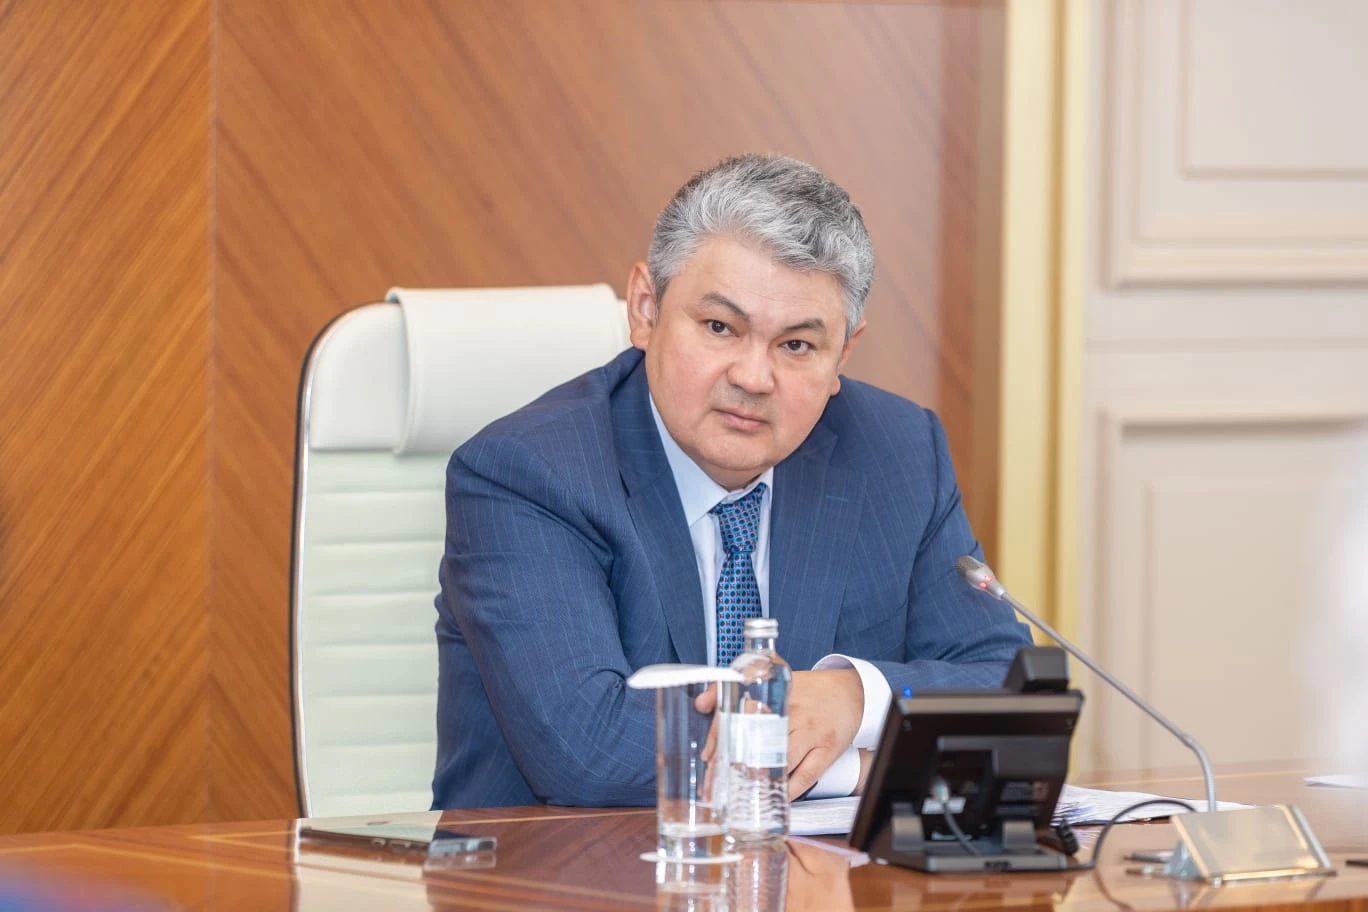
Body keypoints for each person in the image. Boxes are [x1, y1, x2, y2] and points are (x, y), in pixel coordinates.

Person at [431, 153, 1031, 809]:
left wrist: (853, 696)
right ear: (645, 309)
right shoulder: (529, 473)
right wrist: (855, 766)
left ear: (843, 354)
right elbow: (590, 751)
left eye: (796, 345)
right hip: (556, 864)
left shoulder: (898, 453)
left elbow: (1011, 694)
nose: (753, 377)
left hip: (816, 871)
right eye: (720, 327)